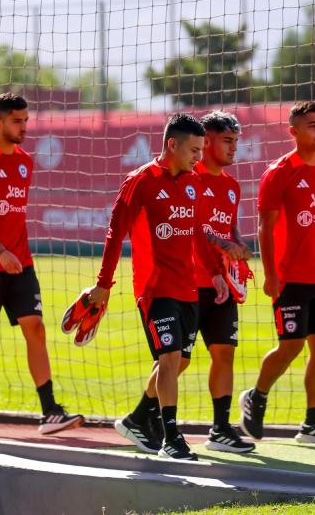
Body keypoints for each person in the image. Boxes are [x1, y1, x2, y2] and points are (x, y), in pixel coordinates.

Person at [87, 113, 228, 461]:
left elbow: (196, 232)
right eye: (194, 149)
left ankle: (137, 419)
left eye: (201, 149)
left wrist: (214, 272)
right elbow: (114, 234)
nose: (199, 156)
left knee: (179, 362)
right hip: (154, 289)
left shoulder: (194, 183)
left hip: (188, 288)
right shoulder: (140, 181)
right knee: (167, 358)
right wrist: (104, 285)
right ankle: (171, 436)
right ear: (171, 145)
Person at [0, 92, 83, 435]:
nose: (24, 127)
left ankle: (50, 410)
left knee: (35, 328)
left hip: (21, 262)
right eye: (16, 121)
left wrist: (14, 255)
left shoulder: (25, 160)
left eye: (26, 120)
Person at [239, 101, 315, 444]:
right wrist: (270, 274)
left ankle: (313, 421)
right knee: (290, 346)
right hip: (290, 279)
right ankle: (256, 396)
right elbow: (264, 227)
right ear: (294, 132)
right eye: (312, 125)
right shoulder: (279, 172)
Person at [193, 110, 255, 453]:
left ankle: (220, 429)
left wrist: (238, 249)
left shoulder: (232, 186)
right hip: (190, 282)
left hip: (222, 285)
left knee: (224, 353)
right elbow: (196, 231)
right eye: (227, 141)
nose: (234, 149)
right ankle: (144, 417)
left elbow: (227, 228)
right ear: (206, 141)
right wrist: (224, 247)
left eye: (236, 142)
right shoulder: (191, 177)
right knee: (178, 360)